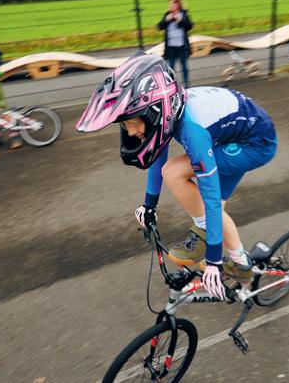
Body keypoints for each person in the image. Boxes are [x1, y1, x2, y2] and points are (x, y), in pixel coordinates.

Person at [76, 54, 278, 300]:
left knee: (175, 173)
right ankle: (239, 262)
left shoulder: (193, 131)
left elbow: (209, 197)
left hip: (255, 144)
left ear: (154, 112)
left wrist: (213, 262)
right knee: (212, 209)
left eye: (133, 123)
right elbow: (156, 155)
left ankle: (220, 249)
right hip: (233, 135)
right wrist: (149, 205)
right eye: (125, 125)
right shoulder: (170, 111)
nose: (131, 132)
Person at [158, 0, 193, 87]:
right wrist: (166, 20)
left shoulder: (184, 14)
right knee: (170, 67)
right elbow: (159, 27)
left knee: (184, 66)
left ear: (178, 4)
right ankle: (171, 85)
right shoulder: (167, 15)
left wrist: (181, 20)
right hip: (170, 46)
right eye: (170, 4)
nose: (171, 6)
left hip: (182, 45)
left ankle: (186, 84)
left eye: (173, 4)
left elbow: (189, 26)